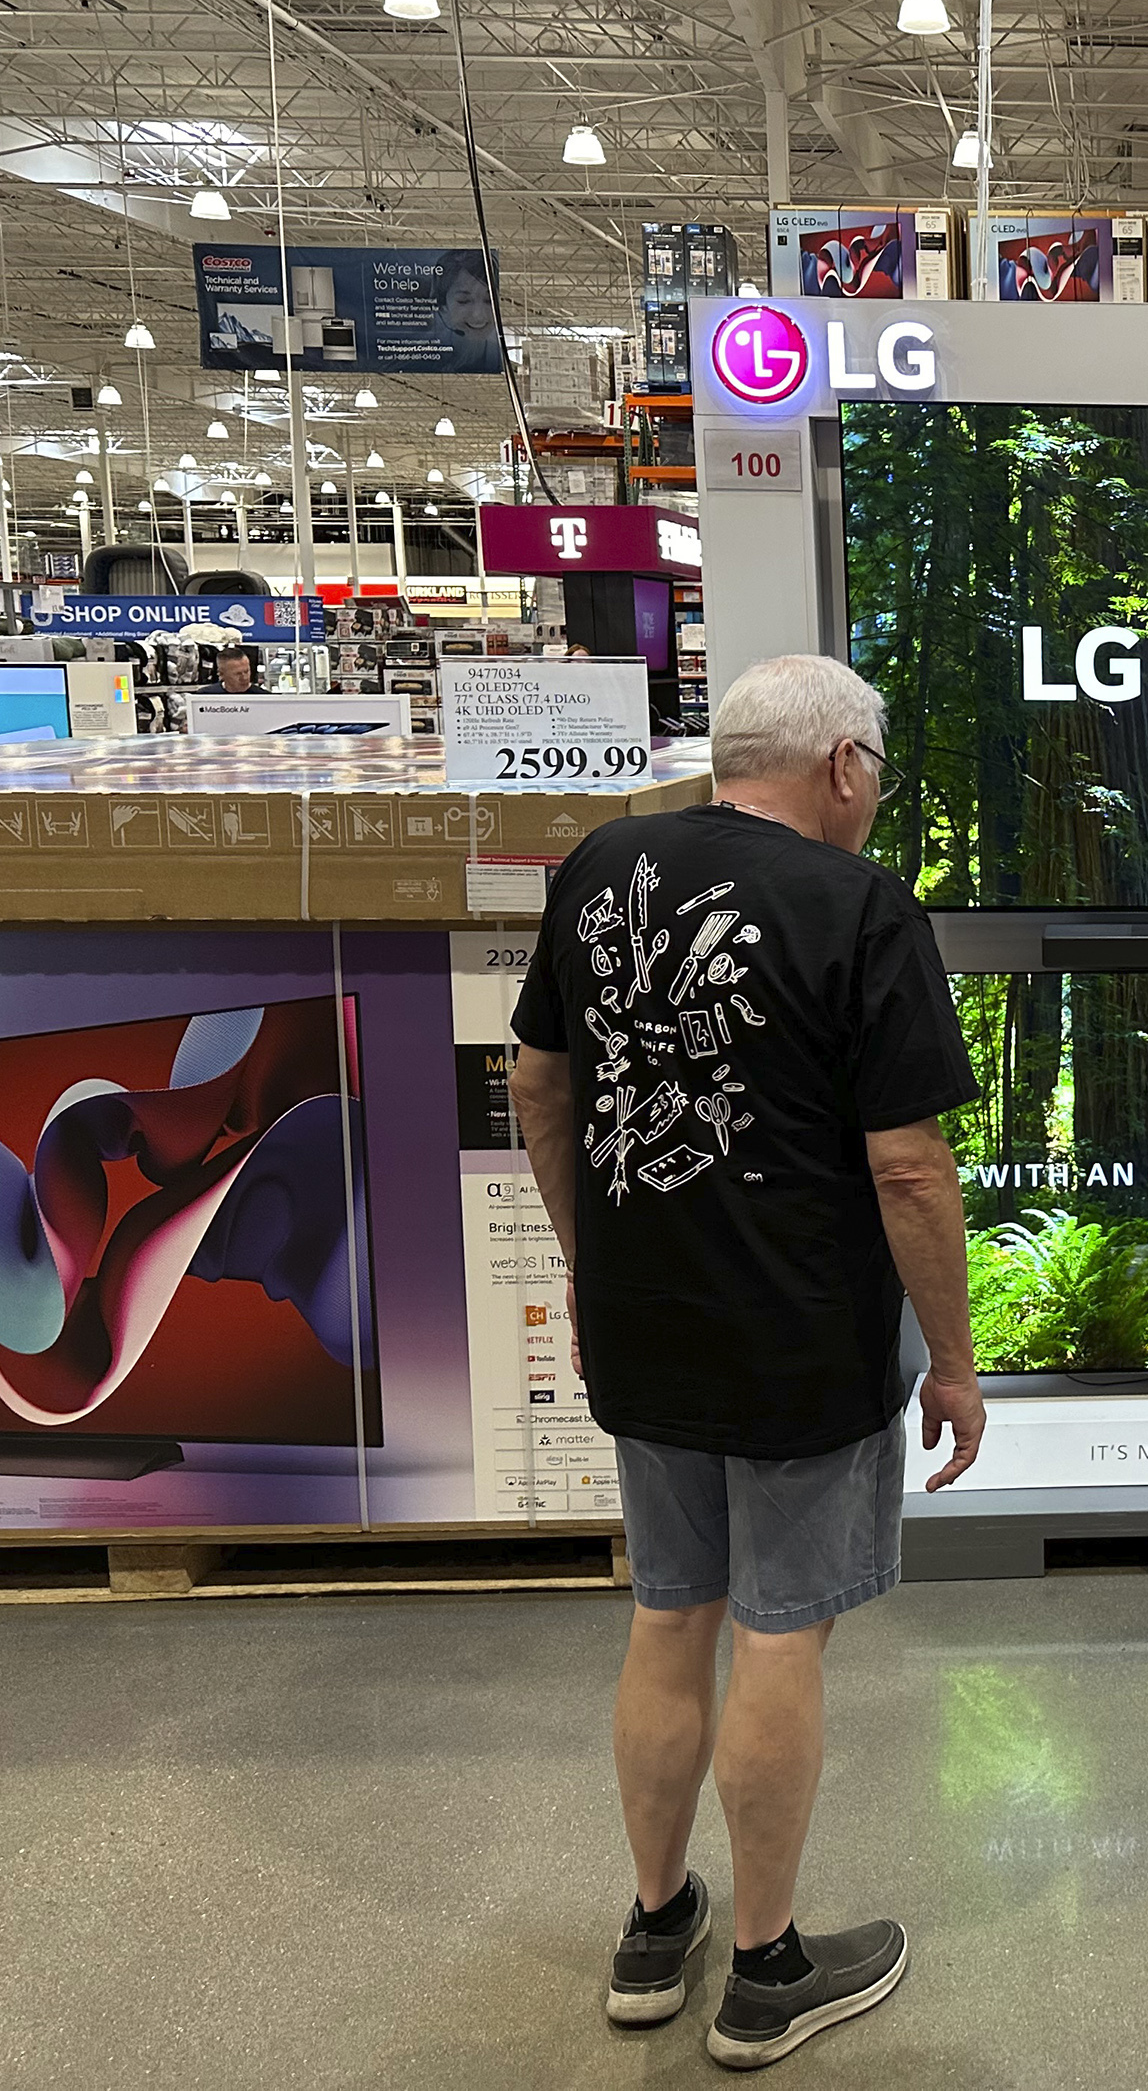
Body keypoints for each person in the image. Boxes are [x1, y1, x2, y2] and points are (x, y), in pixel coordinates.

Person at [506, 653, 986, 2071]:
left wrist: (594, 1259)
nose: (875, 796)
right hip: (800, 1338)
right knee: (783, 1632)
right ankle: (768, 1968)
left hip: (646, 1326)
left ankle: (656, 1930)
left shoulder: (598, 868)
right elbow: (906, 1167)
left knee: (671, 1614)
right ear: (843, 764)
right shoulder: (858, 906)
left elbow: (539, 1083)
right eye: (877, 773)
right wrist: (952, 1360)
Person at [433, 249, 507, 374]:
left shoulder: (498, 360)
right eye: (464, 301)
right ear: (442, 307)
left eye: (489, 300)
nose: (479, 315)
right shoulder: (420, 358)